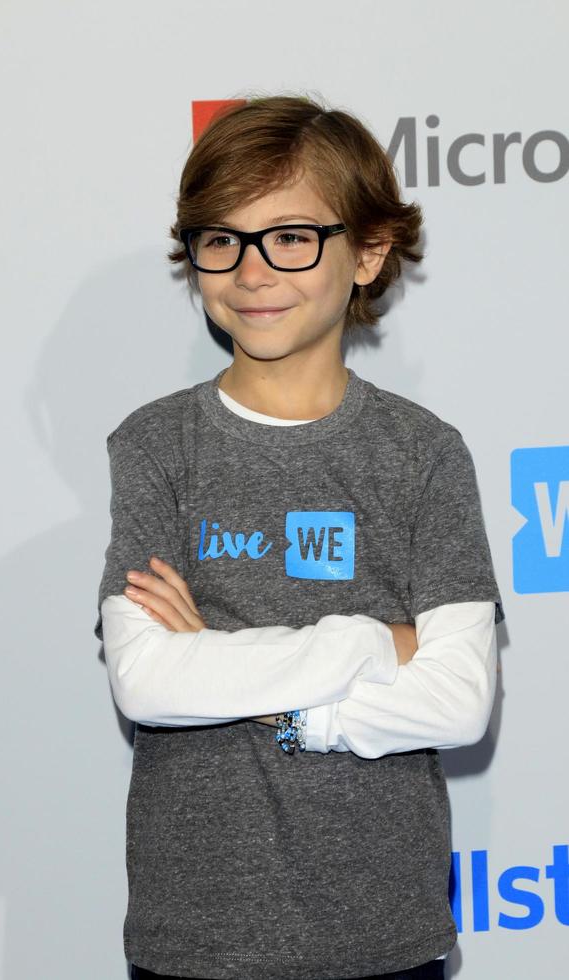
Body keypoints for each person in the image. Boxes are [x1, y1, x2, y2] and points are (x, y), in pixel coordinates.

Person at [94, 94, 505, 980]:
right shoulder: (158, 446)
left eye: (290, 237)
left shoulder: (424, 455)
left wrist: (226, 660)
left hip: (385, 938)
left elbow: (459, 700)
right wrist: (371, 642)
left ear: (367, 252)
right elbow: (150, 680)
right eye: (222, 239)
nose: (250, 272)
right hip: (195, 942)